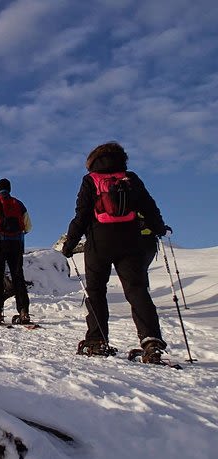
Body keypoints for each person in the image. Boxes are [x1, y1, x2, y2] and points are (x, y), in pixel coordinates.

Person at [61, 141, 170, 363]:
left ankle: (97, 339)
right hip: (130, 240)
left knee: (96, 291)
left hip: (99, 241)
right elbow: (148, 206)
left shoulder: (90, 180)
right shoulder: (130, 178)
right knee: (137, 289)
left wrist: (70, 243)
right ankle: (151, 341)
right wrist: (159, 228)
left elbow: (81, 214)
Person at [0, 178, 32, 325]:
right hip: (16, 244)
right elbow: (28, 227)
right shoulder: (19, 204)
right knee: (18, 276)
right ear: (10, 189)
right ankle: (24, 312)